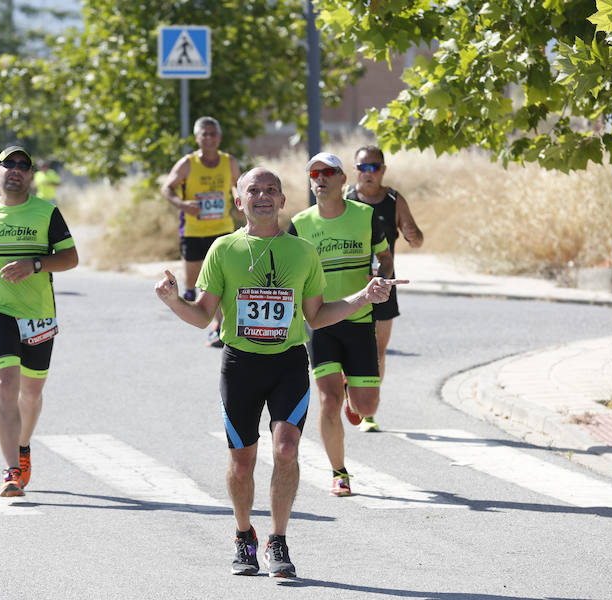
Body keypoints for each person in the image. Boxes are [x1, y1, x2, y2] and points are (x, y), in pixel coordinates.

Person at [155, 167, 404, 578]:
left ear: (283, 201)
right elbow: (202, 316)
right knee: (242, 463)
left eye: (271, 189)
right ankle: (243, 535)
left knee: (286, 449)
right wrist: (171, 300)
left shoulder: (302, 251)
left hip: (287, 362)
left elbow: (317, 316)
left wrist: (364, 296)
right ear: (239, 202)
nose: (263, 196)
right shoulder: (223, 249)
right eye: (253, 190)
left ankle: (278, 539)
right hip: (240, 366)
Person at [0, 145, 78, 497]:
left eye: (23, 165)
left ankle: (23, 446)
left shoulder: (46, 213)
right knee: (6, 384)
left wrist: (35, 264)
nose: (16, 169)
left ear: (31, 175)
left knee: (32, 392)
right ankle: (10, 471)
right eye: (9, 164)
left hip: (39, 313)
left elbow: (70, 257)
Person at [288, 152, 394, 496]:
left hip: (359, 319)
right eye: (314, 174)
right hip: (320, 322)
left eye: (328, 172)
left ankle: (353, 394)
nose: (320, 178)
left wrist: (381, 279)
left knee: (367, 407)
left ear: (342, 179)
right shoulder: (300, 224)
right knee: (328, 401)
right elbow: (287, 269)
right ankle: (339, 472)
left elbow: (385, 256)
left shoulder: (365, 216)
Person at [347, 145, 424, 427]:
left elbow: (416, 239)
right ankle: (349, 387)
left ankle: (368, 410)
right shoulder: (344, 198)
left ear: (383, 170)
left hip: (383, 284)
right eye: (362, 167)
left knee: (378, 350)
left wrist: (413, 235)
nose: (368, 173)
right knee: (347, 346)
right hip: (349, 284)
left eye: (374, 167)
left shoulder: (394, 200)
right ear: (355, 170)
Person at [160, 116, 241, 347]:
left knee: (220, 282)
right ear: (197, 138)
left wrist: (239, 199)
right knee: (195, 284)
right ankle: (197, 308)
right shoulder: (187, 163)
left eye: (213, 134)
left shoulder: (229, 161)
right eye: (204, 134)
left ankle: (219, 327)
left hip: (222, 230)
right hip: (194, 231)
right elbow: (167, 188)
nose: (209, 138)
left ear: (219, 137)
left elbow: (236, 184)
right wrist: (183, 204)